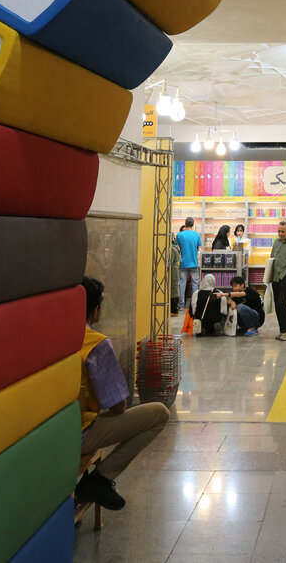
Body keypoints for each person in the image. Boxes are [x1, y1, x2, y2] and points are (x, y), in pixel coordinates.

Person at [76, 277, 170, 511]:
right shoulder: (95, 344)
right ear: (96, 310)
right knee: (159, 414)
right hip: (77, 433)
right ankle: (100, 478)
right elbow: (118, 405)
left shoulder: (48, 336)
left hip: (43, 429)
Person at [174, 218, 201, 309]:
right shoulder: (196, 235)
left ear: (185, 223)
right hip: (194, 262)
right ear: (193, 224)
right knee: (195, 284)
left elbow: (179, 247)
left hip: (183, 262)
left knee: (182, 283)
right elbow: (198, 247)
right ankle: (194, 305)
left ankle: (181, 305)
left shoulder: (180, 235)